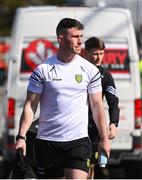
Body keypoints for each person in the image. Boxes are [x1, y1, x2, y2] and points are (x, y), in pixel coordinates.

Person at [15, 18, 110, 179]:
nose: (80, 41)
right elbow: (30, 106)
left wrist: (104, 139)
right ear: (61, 39)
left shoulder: (90, 70)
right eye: (75, 37)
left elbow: (97, 106)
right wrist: (21, 137)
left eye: (81, 36)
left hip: (78, 141)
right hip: (47, 142)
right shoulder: (43, 70)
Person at [85, 36, 120, 179]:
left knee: (91, 167)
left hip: (93, 127)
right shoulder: (78, 71)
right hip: (74, 125)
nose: (99, 57)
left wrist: (113, 123)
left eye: (101, 53)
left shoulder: (105, 76)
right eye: (95, 53)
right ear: (86, 53)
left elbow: (113, 102)